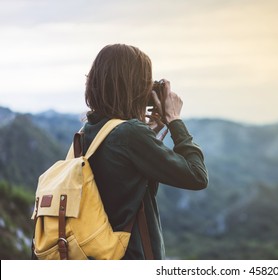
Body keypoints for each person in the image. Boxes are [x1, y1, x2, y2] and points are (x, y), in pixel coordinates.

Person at [82, 43, 208, 259]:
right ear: (134, 87)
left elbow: (128, 177)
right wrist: (174, 119)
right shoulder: (130, 134)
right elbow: (197, 176)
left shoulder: (89, 130)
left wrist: (153, 133)